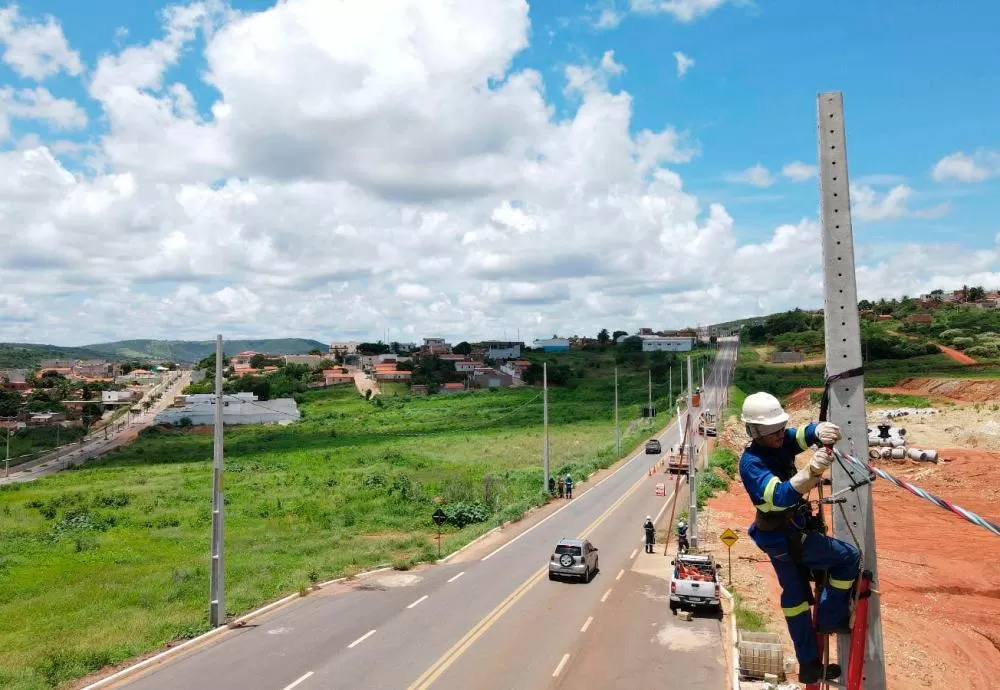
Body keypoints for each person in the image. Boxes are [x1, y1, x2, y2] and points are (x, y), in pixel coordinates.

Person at [739, 392, 861, 685]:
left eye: (781, 428)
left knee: (794, 599)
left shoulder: (776, 440)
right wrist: (811, 471)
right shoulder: (752, 462)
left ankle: (808, 664)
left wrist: (817, 431)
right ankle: (832, 615)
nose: (781, 435)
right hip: (787, 536)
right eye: (774, 432)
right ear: (756, 432)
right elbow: (778, 498)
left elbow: (798, 436)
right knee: (848, 557)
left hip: (779, 536)